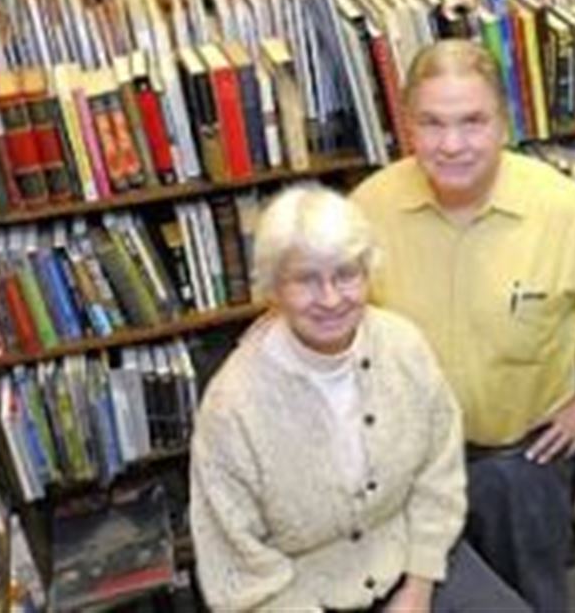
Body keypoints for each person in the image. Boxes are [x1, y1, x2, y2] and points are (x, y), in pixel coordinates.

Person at [351, 40, 575, 612]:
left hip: (519, 467)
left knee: (529, 598)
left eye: (472, 121)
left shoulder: (559, 210)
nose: (452, 144)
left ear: (504, 122)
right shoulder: (369, 208)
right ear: (407, 127)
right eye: (432, 123)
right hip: (409, 465)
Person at [189, 185, 528, 612]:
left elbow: (438, 477)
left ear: (368, 274)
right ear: (274, 288)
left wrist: (418, 590)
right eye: (306, 280)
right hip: (298, 597)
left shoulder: (403, 346)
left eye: (346, 274)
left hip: (415, 562)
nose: (330, 299)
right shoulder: (231, 408)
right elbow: (238, 570)